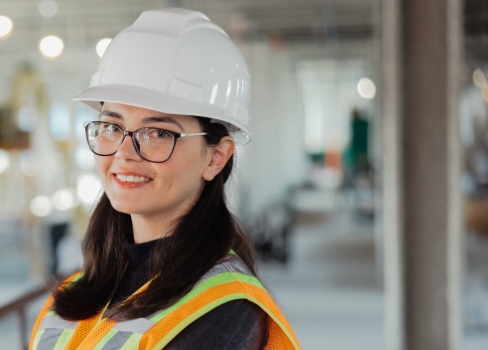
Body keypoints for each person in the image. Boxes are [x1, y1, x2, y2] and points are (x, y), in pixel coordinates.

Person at [28, 8, 300, 350]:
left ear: (216, 156)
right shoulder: (80, 288)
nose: (124, 153)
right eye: (112, 127)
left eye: (157, 132)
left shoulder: (224, 309)